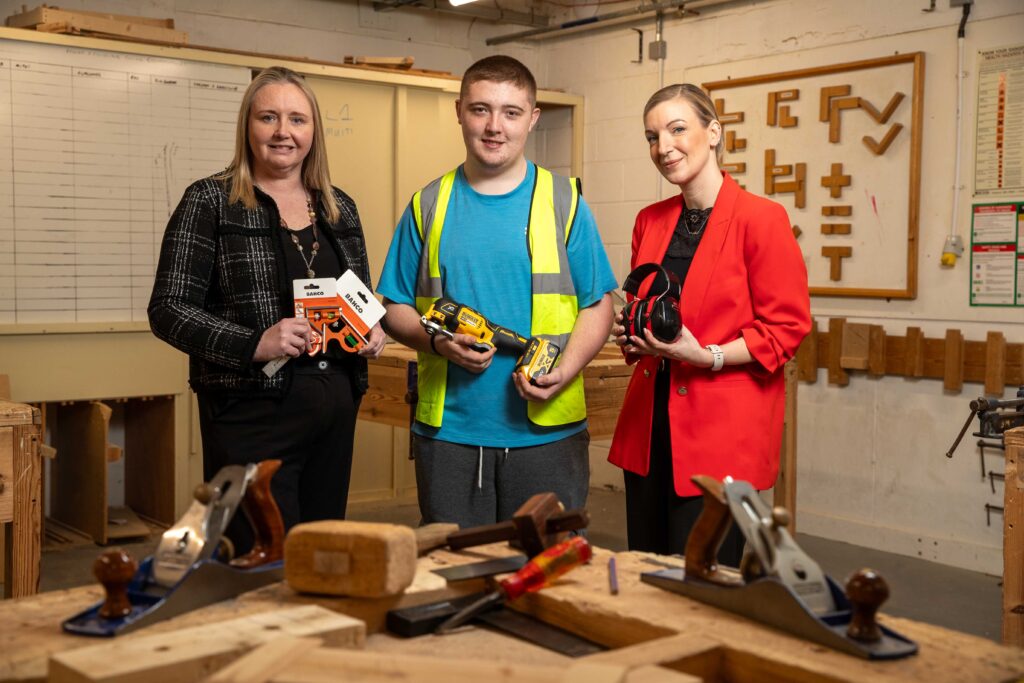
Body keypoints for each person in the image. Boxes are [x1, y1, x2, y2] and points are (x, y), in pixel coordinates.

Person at [148, 66, 385, 552]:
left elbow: (356, 298)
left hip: (335, 406)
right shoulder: (210, 201)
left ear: (313, 132)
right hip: (250, 412)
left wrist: (372, 330)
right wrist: (254, 342)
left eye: (297, 119)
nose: (284, 132)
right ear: (248, 128)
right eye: (269, 118)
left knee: (321, 555)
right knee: (258, 557)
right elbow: (168, 309)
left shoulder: (340, 208)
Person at [378, 55, 616, 528]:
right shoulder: (428, 204)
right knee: (456, 578)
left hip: (548, 432)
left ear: (532, 118)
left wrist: (563, 371)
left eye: (511, 111)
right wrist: (438, 342)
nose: (494, 126)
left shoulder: (565, 202)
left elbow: (598, 304)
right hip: (450, 434)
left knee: (547, 578)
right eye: (480, 109)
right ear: (460, 112)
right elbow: (393, 306)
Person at [608, 84, 811, 561]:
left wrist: (708, 356)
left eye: (678, 129)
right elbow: (650, 308)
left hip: (720, 438)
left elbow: (786, 329)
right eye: (652, 137)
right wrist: (634, 334)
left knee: (704, 583)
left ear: (713, 132)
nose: (664, 147)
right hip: (648, 431)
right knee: (647, 573)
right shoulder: (649, 221)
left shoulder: (762, 219)